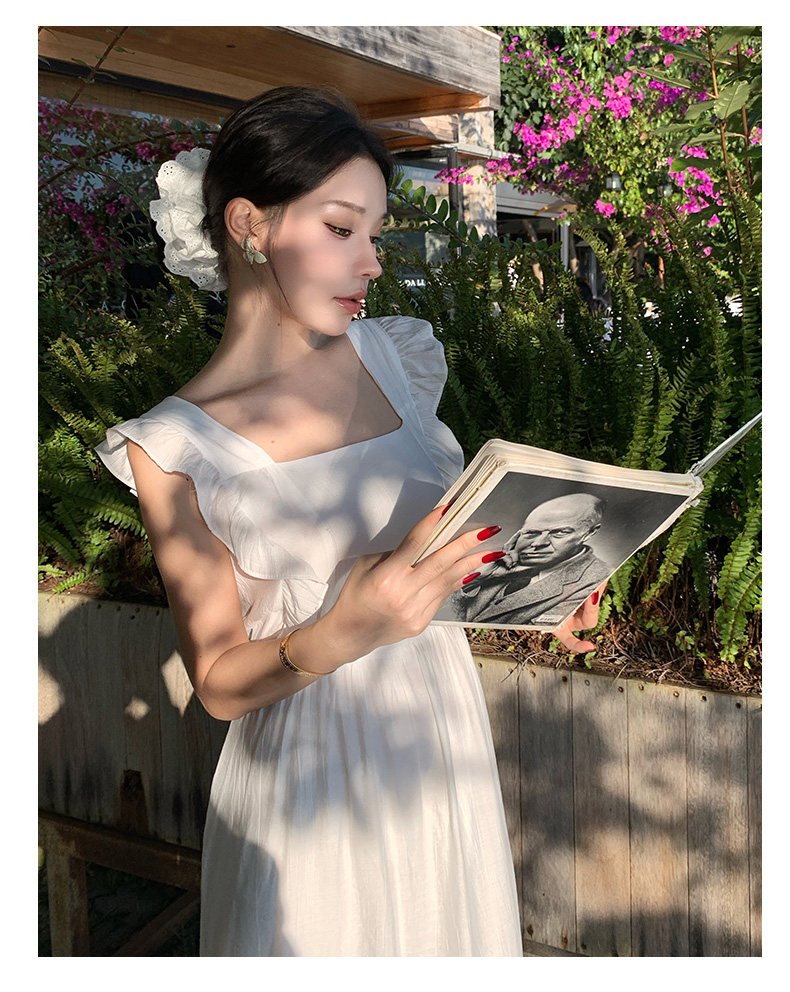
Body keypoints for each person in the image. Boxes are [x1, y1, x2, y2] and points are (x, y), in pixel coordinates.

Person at [95, 86, 604, 957]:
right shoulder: (175, 446)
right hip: (311, 780)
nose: (370, 262)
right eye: (341, 229)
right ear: (251, 225)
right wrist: (346, 627)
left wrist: (533, 587)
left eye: (374, 233)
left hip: (441, 741)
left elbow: (431, 556)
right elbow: (218, 682)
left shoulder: (396, 359)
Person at [451, 494, 611, 626]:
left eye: (560, 532)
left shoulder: (593, 577)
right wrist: (477, 580)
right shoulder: (500, 565)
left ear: (589, 533)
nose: (538, 543)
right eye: (531, 532)